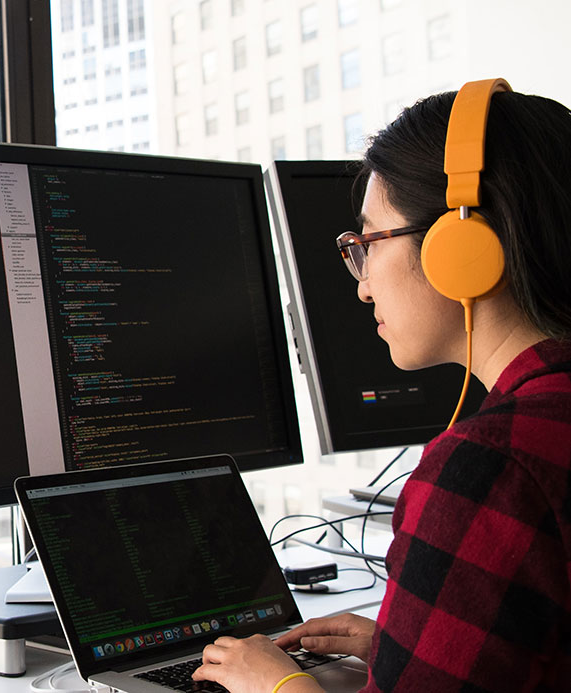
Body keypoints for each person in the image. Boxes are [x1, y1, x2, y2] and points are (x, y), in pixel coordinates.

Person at [193, 81, 571, 692]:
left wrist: (276, 684)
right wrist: (409, 643)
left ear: (463, 246)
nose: (363, 285)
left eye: (367, 244)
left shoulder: (487, 469)